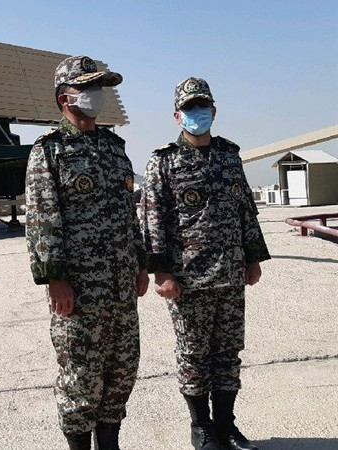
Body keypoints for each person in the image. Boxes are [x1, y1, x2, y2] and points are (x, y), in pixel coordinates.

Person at [25, 55, 149, 450]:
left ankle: (109, 444)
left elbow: (128, 213)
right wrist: (55, 278)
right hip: (79, 290)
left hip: (120, 286)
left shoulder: (114, 148)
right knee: (81, 375)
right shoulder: (50, 150)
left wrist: (140, 264)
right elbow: (43, 219)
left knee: (121, 371)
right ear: (66, 97)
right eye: (89, 87)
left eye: (101, 87)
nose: (98, 95)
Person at [140, 77, 270, 450]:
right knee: (194, 354)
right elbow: (152, 219)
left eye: (204, 106)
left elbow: (244, 207)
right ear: (177, 114)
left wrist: (253, 257)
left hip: (230, 271)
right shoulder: (163, 161)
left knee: (228, 352)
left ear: (213, 110)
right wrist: (161, 271)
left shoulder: (229, 155)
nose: (198, 113)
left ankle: (227, 425)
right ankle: (202, 427)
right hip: (189, 277)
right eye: (190, 107)